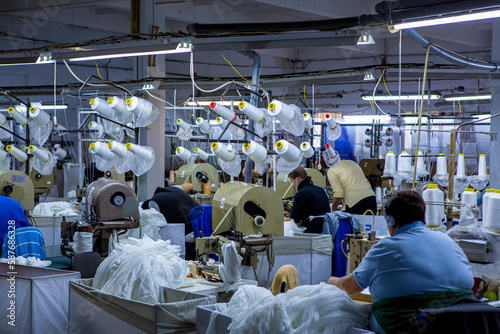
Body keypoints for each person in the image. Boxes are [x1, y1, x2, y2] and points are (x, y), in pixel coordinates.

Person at [327, 191, 473, 333]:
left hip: (406, 324)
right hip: (462, 321)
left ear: (390, 220)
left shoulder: (386, 246)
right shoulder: (448, 240)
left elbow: (351, 287)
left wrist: (332, 282)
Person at [287, 166, 331, 234]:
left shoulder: (301, 193)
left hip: (313, 229)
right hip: (326, 227)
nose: (293, 185)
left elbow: (295, 219)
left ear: (297, 179)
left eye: (292, 182)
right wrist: (290, 214)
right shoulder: (320, 189)